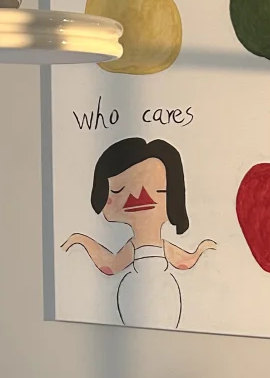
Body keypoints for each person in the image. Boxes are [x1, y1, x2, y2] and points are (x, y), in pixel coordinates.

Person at [62, 136, 215, 330]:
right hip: (132, 289)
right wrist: (81, 240)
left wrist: (201, 251)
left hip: (165, 291)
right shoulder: (132, 248)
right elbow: (110, 265)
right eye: (118, 190)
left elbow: (184, 261)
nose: (139, 196)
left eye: (159, 190)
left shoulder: (162, 249)